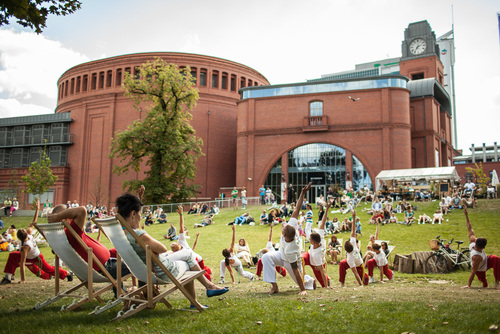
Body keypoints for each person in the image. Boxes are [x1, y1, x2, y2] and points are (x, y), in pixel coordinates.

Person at [116, 189, 228, 304]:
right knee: (188, 258)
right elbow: (162, 248)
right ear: (133, 214)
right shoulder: (138, 236)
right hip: (162, 272)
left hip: (145, 269)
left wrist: (139, 198)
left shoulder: (119, 234)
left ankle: (206, 290)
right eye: (140, 214)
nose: (141, 217)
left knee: (184, 254)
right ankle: (206, 290)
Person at [261, 183, 316, 295]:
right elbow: (297, 209)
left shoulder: (291, 249)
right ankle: (274, 286)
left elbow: (295, 269)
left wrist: (302, 290)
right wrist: (302, 193)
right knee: (266, 257)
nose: (283, 226)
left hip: (291, 261)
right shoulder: (292, 227)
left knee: (301, 281)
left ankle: (310, 281)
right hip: (281, 255)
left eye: (283, 230)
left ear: (285, 236)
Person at [1, 204, 72, 285]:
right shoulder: (28, 233)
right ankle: (8, 277)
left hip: (36, 258)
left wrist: (23, 279)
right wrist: (37, 209)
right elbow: (33, 222)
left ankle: (67, 274)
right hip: (29, 256)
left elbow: (23, 264)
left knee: (48, 270)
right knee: (13, 255)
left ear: (18, 237)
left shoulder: (25, 247)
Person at [462, 201, 499, 289]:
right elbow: (473, 271)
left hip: (486, 260)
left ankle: (497, 283)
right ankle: (485, 282)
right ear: (483, 247)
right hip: (479, 268)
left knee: (496, 259)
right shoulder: (476, 257)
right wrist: (468, 285)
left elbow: (469, 227)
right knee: (483, 282)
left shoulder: (473, 241)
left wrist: (466, 215)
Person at [170, 206, 212, 282]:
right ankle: (209, 273)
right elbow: (181, 226)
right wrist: (181, 214)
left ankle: (209, 277)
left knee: (201, 271)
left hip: (197, 259)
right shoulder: (181, 241)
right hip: (197, 258)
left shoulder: (180, 243)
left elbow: (181, 226)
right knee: (202, 269)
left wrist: (181, 215)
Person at [302, 199, 332, 288]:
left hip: (316, 262)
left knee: (323, 283)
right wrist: (327, 209)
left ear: (313, 242)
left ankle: (327, 281)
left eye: (310, 240)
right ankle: (303, 281)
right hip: (309, 255)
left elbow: (322, 270)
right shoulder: (320, 237)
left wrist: (326, 286)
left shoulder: (317, 254)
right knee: (300, 259)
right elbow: (323, 223)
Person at [338, 209, 369, 287]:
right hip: (354, 261)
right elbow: (353, 230)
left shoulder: (350, 258)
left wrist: (360, 285)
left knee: (365, 282)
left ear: (346, 251)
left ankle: (364, 279)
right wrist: (354, 218)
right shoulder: (353, 244)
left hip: (359, 265)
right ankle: (342, 283)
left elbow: (355, 273)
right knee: (342, 263)